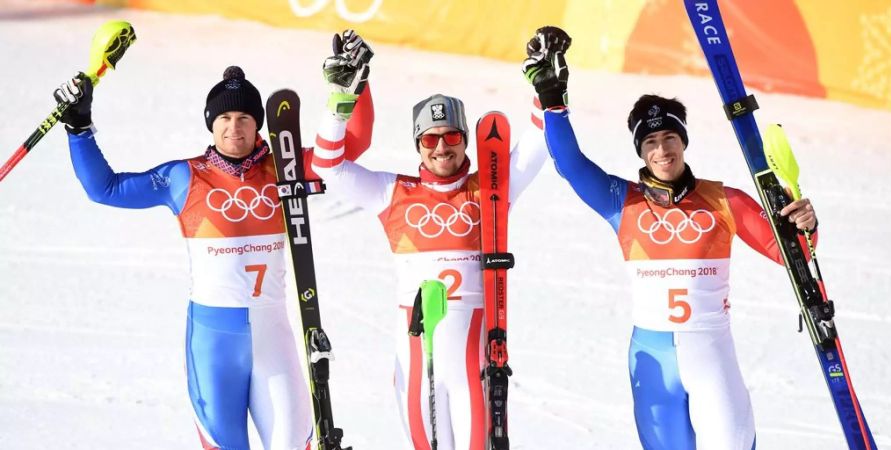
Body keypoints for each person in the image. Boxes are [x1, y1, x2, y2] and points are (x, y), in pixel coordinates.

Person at [53, 59, 373, 450]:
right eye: (224, 117)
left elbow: (350, 146)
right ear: (211, 123)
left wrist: (357, 88)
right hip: (213, 341)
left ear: (259, 124)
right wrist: (78, 128)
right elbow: (106, 189)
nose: (233, 127)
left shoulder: (286, 167)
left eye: (243, 117)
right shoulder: (183, 177)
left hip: (273, 333)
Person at [525, 28, 818, 450]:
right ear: (640, 152)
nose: (662, 150)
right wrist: (552, 98)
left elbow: (795, 253)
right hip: (652, 361)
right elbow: (570, 164)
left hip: (711, 354)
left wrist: (805, 224)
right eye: (650, 142)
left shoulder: (724, 200)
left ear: (683, 142)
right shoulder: (620, 202)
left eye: (669, 138)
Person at [311, 29, 562, 450]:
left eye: (451, 136)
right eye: (430, 138)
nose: (441, 147)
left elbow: (538, 145)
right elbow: (327, 166)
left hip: (476, 360)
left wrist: (546, 90)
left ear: (466, 139)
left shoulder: (492, 188)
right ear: (417, 145)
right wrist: (340, 103)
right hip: (414, 359)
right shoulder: (392, 192)